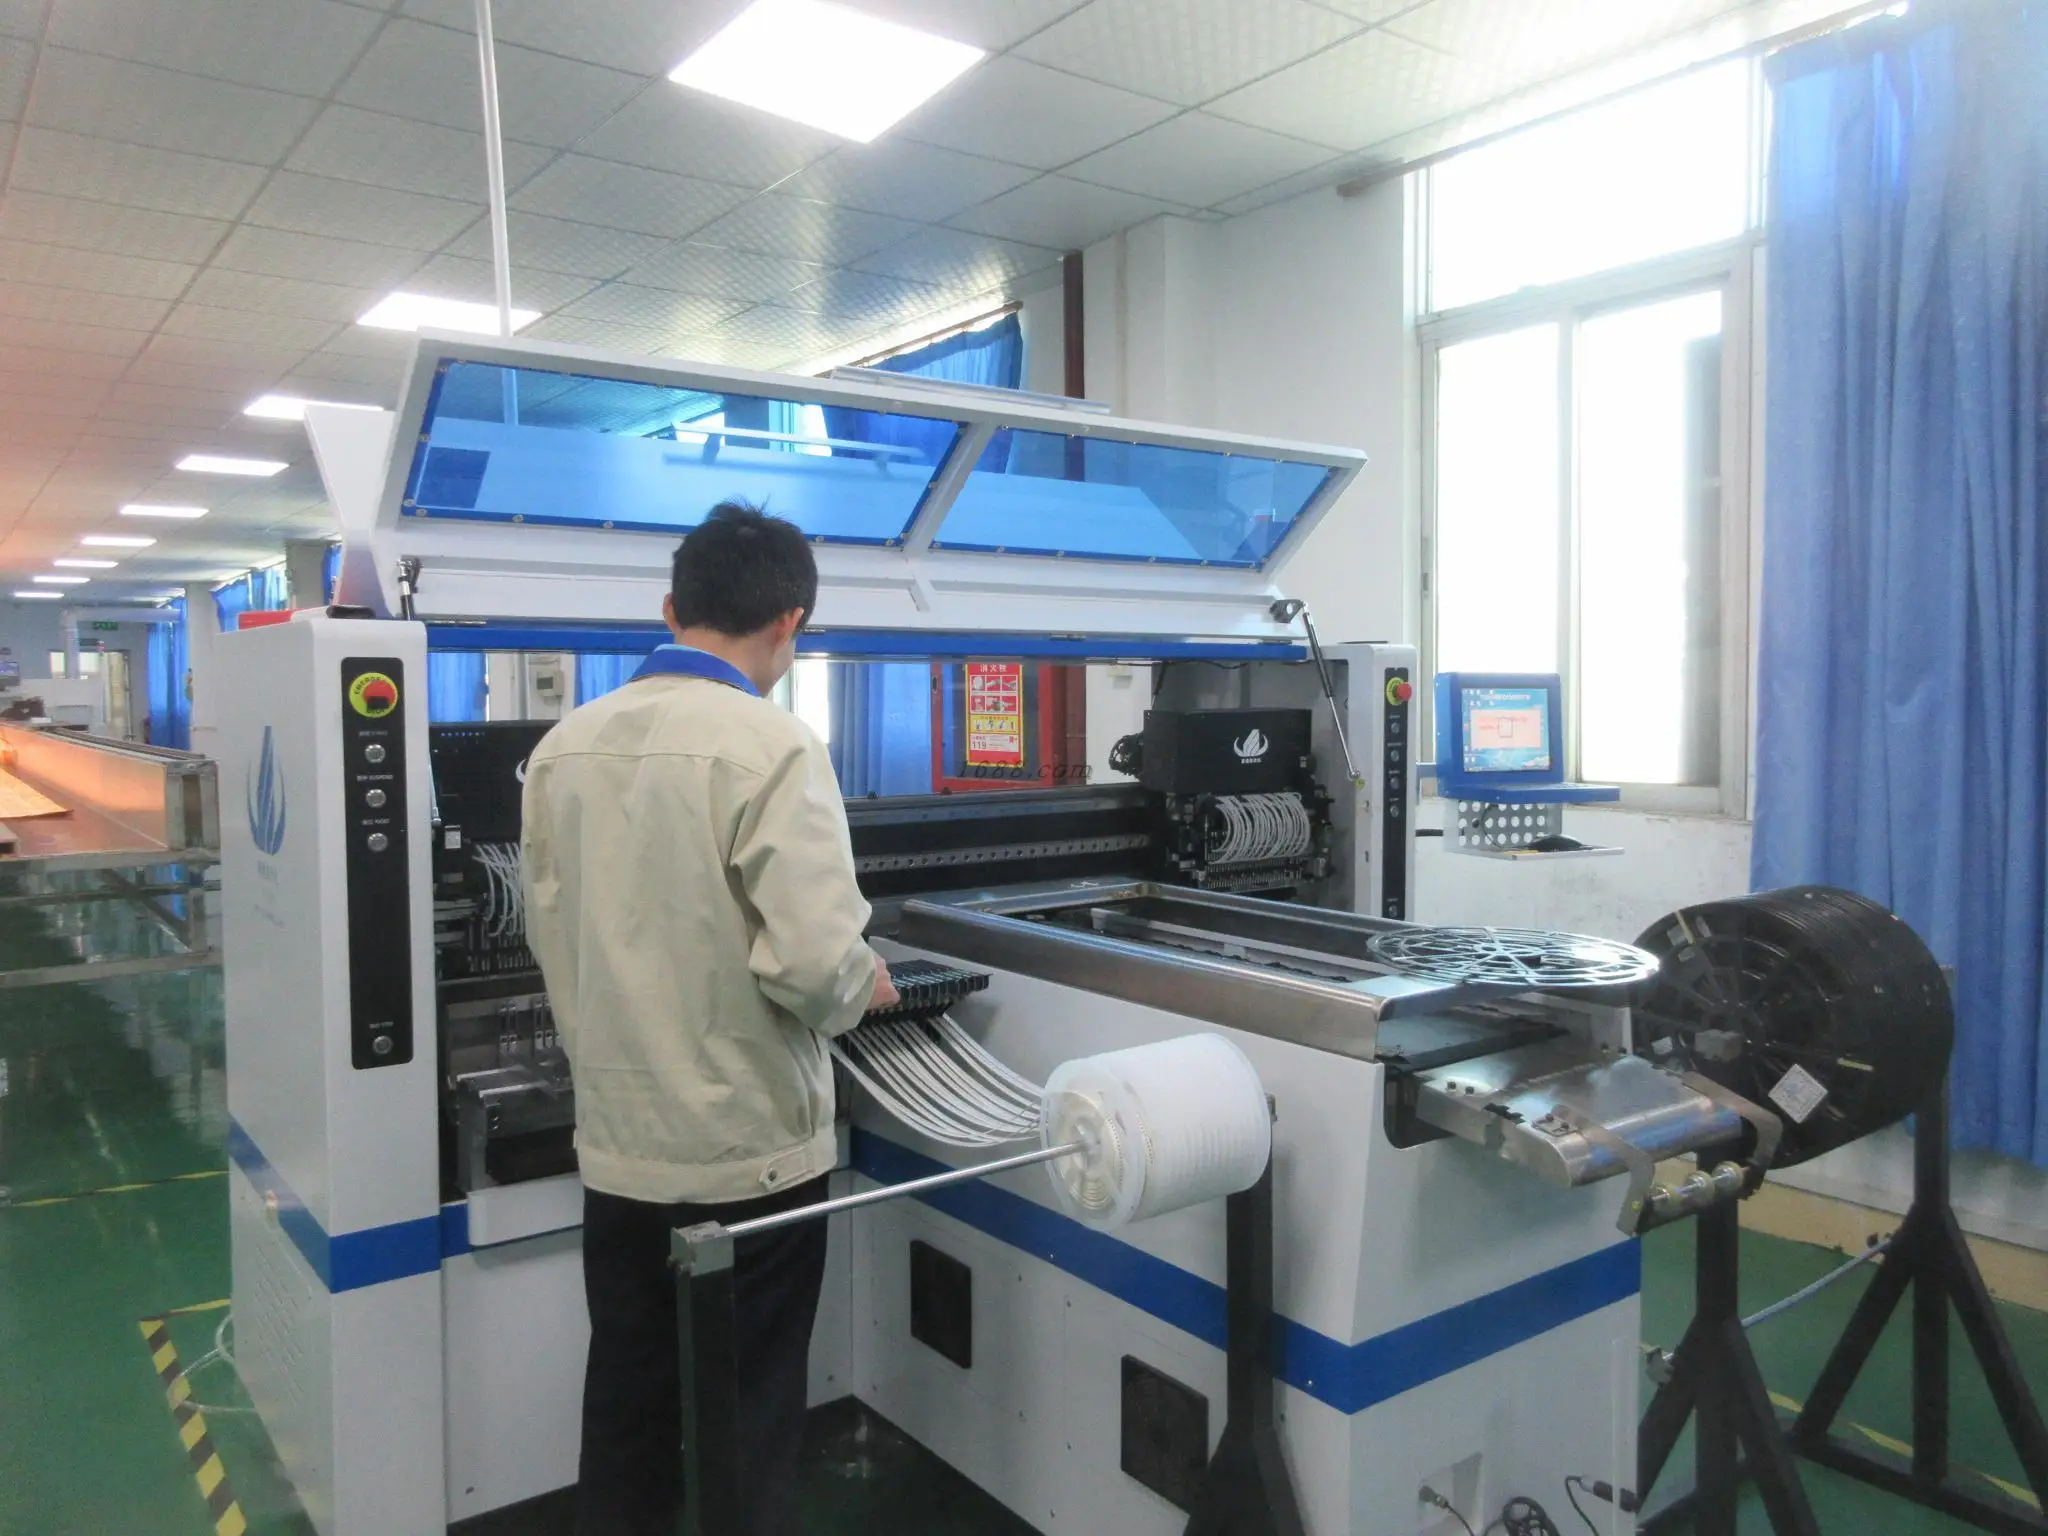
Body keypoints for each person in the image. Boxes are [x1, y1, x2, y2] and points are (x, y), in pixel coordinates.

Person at [521, 500, 898, 1536]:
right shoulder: (773, 748)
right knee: (748, 1416)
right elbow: (815, 962)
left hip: (619, 1152)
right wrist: (861, 984)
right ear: (790, 621)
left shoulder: (563, 747)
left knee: (628, 1407)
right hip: (749, 1164)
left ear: (670, 609)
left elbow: (550, 931)